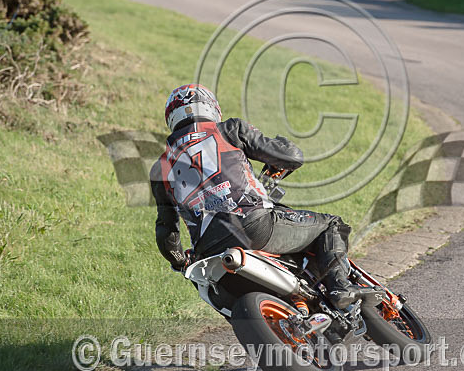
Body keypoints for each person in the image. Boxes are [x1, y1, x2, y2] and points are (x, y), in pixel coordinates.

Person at [149, 84, 377, 309]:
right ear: (211, 107)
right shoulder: (229, 129)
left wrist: (180, 261)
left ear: (172, 119)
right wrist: (284, 147)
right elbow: (292, 157)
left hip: (208, 252)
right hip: (253, 224)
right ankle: (340, 286)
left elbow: (166, 231)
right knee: (331, 225)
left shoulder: (160, 168)